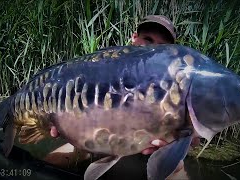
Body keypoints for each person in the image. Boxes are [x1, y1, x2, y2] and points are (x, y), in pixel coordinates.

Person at [44, 15, 199, 179]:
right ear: (134, 37)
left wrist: (184, 140)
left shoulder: (177, 83)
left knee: (176, 172)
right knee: (49, 162)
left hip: (152, 151)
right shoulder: (106, 67)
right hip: (98, 143)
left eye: (162, 46)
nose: (153, 49)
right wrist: (67, 124)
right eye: (147, 39)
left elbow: (193, 135)